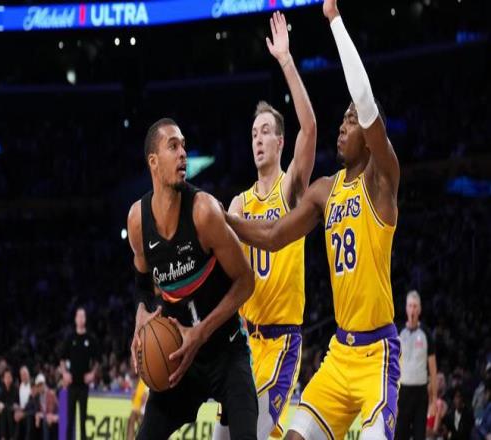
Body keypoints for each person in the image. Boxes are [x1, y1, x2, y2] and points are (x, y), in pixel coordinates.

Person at [225, 0, 401, 438]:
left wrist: (335, 21)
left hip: (377, 352)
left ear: (369, 135)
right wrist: (218, 218)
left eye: (351, 122)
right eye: (342, 120)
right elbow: (271, 235)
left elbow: (362, 102)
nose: (343, 127)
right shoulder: (324, 190)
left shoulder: (382, 180)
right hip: (339, 353)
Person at [214, 10, 316, 439]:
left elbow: (310, 128)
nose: (257, 139)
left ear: (280, 141)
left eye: (265, 132)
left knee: (249, 432)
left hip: (281, 343)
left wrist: (286, 61)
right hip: (243, 344)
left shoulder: (291, 189)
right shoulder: (238, 203)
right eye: (254, 133)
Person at [127, 118, 258, 439]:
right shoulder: (137, 221)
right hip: (179, 363)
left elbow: (246, 281)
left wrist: (202, 332)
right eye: (173, 146)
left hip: (226, 351)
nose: (183, 153)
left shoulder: (204, 212)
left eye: (184, 145)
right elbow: (142, 282)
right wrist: (140, 313)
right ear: (153, 161)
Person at [396, 290, 438, 440]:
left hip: (421, 393)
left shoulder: (426, 334)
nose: (412, 309)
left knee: (419, 436)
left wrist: (434, 400)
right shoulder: (399, 333)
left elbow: (433, 371)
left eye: (415, 306)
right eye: (410, 306)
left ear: (419, 309)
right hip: (403, 393)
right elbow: (392, 368)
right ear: (406, 308)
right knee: (400, 435)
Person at [61, 307, 99, 440]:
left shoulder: (90, 339)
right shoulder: (70, 338)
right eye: (79, 316)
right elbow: (62, 359)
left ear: (85, 319)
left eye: (83, 316)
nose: (81, 319)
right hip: (72, 385)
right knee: (70, 419)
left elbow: (97, 360)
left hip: (84, 385)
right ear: (75, 319)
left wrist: (93, 373)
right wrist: (64, 373)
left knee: (83, 420)